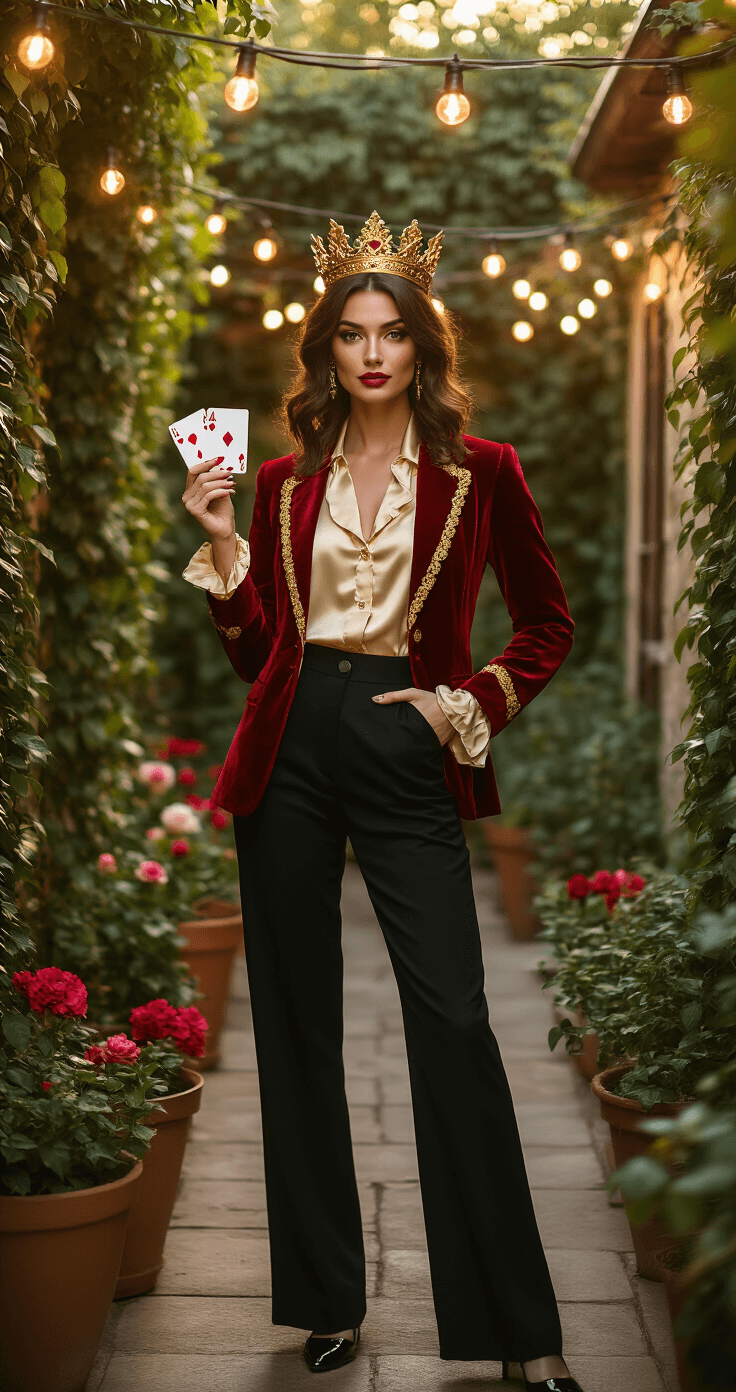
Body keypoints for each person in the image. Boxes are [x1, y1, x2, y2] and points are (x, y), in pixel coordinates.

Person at [181, 213, 579, 1389]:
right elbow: (261, 655)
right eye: (351, 333)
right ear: (326, 349)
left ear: (419, 348)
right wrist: (224, 554)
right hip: (294, 746)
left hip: (409, 741)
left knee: (453, 1022)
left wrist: (468, 703)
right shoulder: (279, 481)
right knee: (298, 1028)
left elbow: (549, 621)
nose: (370, 353)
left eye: (390, 333)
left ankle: (520, 1332)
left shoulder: (480, 471)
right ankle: (325, 1302)